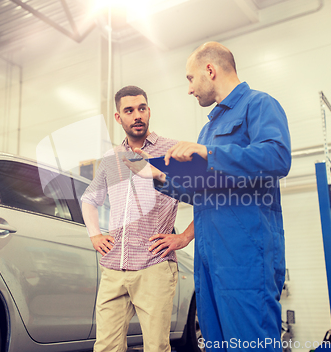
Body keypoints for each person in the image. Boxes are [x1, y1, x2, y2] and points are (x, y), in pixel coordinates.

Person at [131, 42, 291, 352]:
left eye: (190, 79)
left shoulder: (259, 105)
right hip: (210, 259)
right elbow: (202, 191)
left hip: (245, 257)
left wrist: (209, 153)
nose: (189, 90)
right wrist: (158, 176)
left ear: (210, 70)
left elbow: (277, 157)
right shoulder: (208, 130)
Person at [81, 85, 180, 352]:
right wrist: (95, 234)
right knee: (105, 348)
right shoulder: (111, 158)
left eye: (142, 108)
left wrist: (182, 237)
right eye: (129, 110)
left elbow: (206, 196)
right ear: (118, 117)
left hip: (154, 265)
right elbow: (89, 199)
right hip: (114, 267)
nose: (137, 115)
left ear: (149, 111)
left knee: (156, 348)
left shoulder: (171, 150)